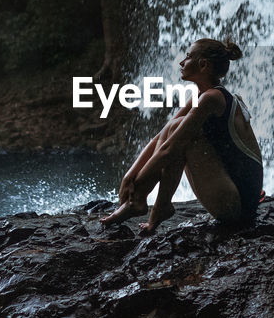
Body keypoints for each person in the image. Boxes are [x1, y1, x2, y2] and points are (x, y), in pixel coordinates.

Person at [100, 38, 263, 233]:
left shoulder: (212, 99)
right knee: (175, 128)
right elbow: (162, 135)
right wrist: (130, 175)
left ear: (203, 65)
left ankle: (151, 206)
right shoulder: (203, 96)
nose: (181, 62)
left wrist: (139, 184)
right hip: (230, 195)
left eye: (187, 57)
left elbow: (169, 148)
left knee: (182, 135)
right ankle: (154, 206)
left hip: (238, 206)